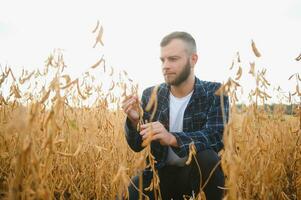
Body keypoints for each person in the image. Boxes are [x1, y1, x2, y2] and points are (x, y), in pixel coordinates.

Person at [121, 31, 229, 200]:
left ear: (193, 59)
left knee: (207, 157)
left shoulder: (214, 92)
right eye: (162, 60)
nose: (165, 65)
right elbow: (137, 145)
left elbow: (215, 137)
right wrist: (134, 121)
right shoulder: (151, 95)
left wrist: (173, 138)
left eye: (173, 59)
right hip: (160, 174)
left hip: (195, 175)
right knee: (132, 192)